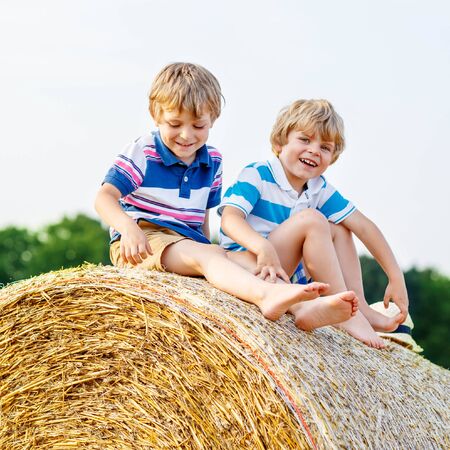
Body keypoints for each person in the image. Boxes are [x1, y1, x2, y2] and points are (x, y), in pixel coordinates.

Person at [94, 64, 358, 325]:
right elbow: (104, 197)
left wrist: (213, 249)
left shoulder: (212, 161)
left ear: (213, 120)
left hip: (189, 245)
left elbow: (202, 217)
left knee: (248, 261)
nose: (186, 135)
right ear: (155, 114)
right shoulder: (144, 150)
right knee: (208, 256)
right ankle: (266, 296)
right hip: (145, 242)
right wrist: (128, 229)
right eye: (175, 124)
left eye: (198, 126)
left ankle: (302, 308)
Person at [219, 99, 409, 348]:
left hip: (284, 269)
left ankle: (358, 305)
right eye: (305, 140)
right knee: (313, 220)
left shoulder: (318, 188)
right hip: (246, 262)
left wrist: (396, 277)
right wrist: (263, 248)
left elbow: (364, 226)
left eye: (325, 147)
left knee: (340, 227)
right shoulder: (258, 174)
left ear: (333, 157)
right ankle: (346, 313)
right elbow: (229, 219)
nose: (314, 151)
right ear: (280, 142)